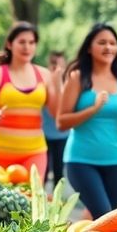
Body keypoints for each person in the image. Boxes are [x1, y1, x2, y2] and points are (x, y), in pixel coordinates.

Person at [57, 23, 117, 217]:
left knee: (114, 220)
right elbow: (61, 122)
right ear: (89, 48)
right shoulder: (77, 77)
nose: (108, 47)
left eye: (112, 43)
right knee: (104, 214)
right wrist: (94, 109)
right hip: (81, 160)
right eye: (102, 42)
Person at [0, 21, 60, 175]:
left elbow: (55, 113)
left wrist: (57, 84)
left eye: (32, 42)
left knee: (32, 197)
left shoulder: (44, 75)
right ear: (9, 44)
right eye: (22, 42)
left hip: (34, 152)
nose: (27, 47)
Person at [42, 51, 69, 186]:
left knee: (59, 171)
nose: (57, 68)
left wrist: (59, 85)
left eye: (60, 65)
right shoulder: (43, 82)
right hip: (43, 135)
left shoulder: (68, 84)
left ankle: (56, 202)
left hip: (62, 135)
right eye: (54, 64)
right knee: (43, 170)